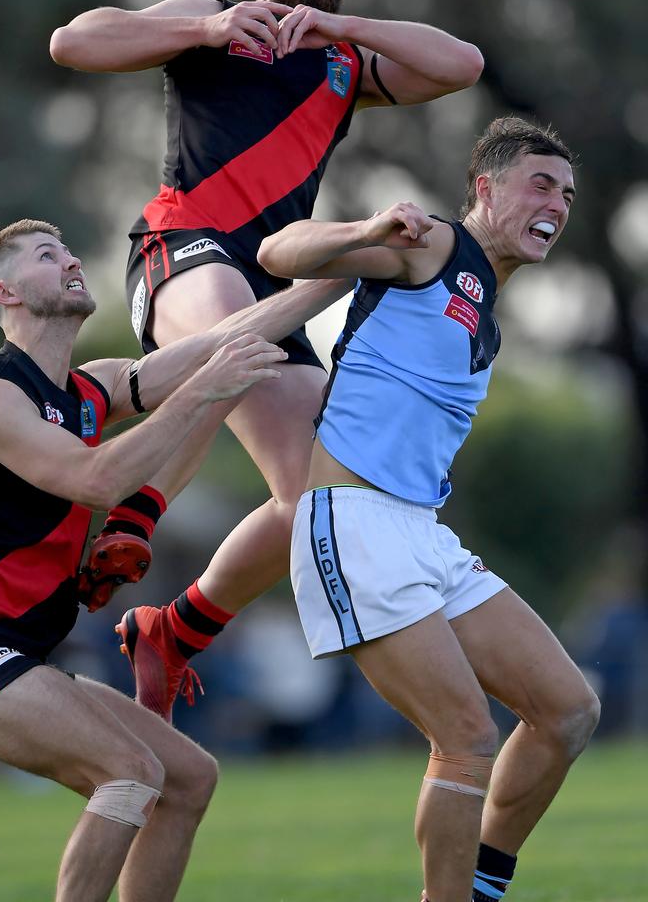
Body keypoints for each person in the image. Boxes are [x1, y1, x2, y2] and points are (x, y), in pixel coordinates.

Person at [49, 0, 485, 720]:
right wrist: (207, 30)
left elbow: (461, 64)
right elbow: (74, 41)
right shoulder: (212, 18)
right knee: (233, 342)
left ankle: (176, 630)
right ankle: (131, 507)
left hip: (273, 281)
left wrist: (347, 29)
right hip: (183, 248)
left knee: (322, 500)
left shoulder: (347, 63)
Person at [0, 218, 351, 902]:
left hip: (20, 649)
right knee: (131, 771)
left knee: (189, 778)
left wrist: (351, 267)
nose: (72, 260)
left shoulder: (92, 389)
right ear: (6, 291)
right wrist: (203, 387)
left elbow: (221, 341)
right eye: (47, 256)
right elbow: (99, 480)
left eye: (70, 249)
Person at [257, 116, 601, 902]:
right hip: (352, 522)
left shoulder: (487, 303)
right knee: (468, 739)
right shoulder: (435, 246)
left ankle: (481, 886)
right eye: (540, 184)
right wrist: (368, 226)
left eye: (569, 193)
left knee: (568, 710)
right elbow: (277, 253)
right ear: (485, 189)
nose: (558, 203)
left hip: (419, 531)